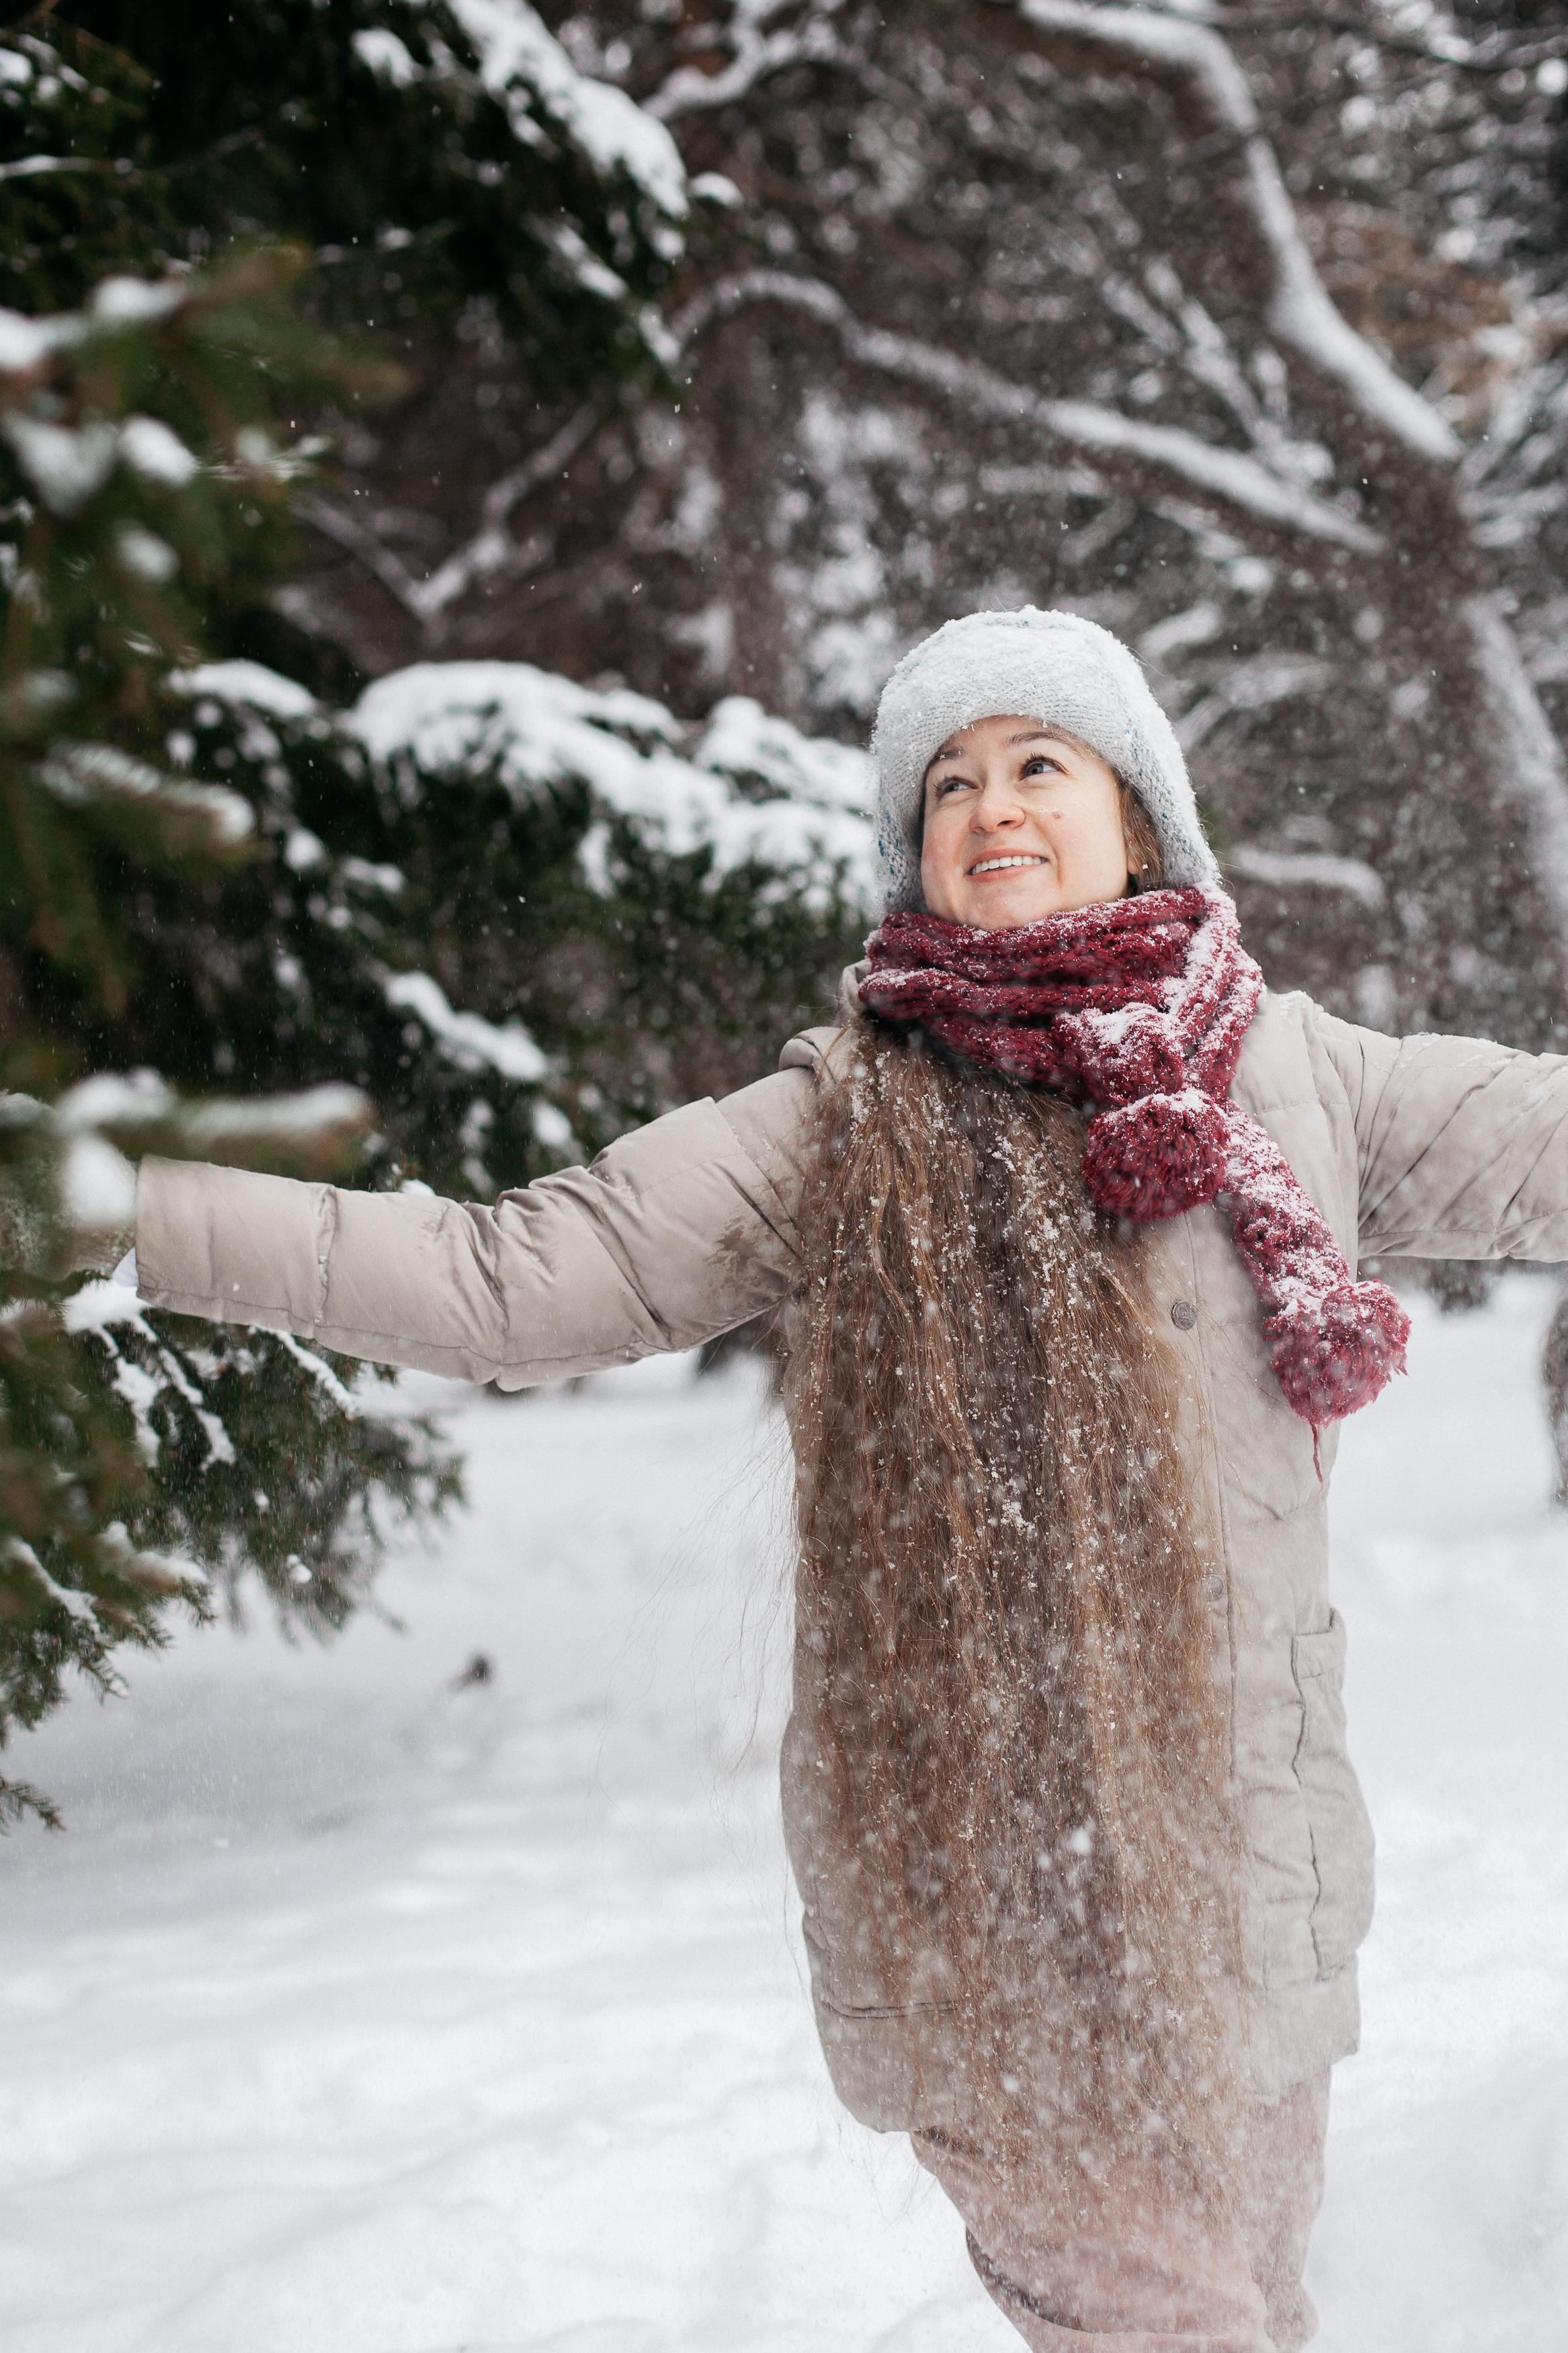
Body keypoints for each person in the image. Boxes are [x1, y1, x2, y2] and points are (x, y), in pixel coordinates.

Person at [126, 608, 1568, 2351]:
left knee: (1256, 2301)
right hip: (1001, 1904)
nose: (990, 804)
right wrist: (125, 1218)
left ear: (1144, 817)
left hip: (1256, 1907)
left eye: (1041, 761)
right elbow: (502, 1278)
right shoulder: (841, 1116)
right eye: (946, 782)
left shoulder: (1296, 1075)